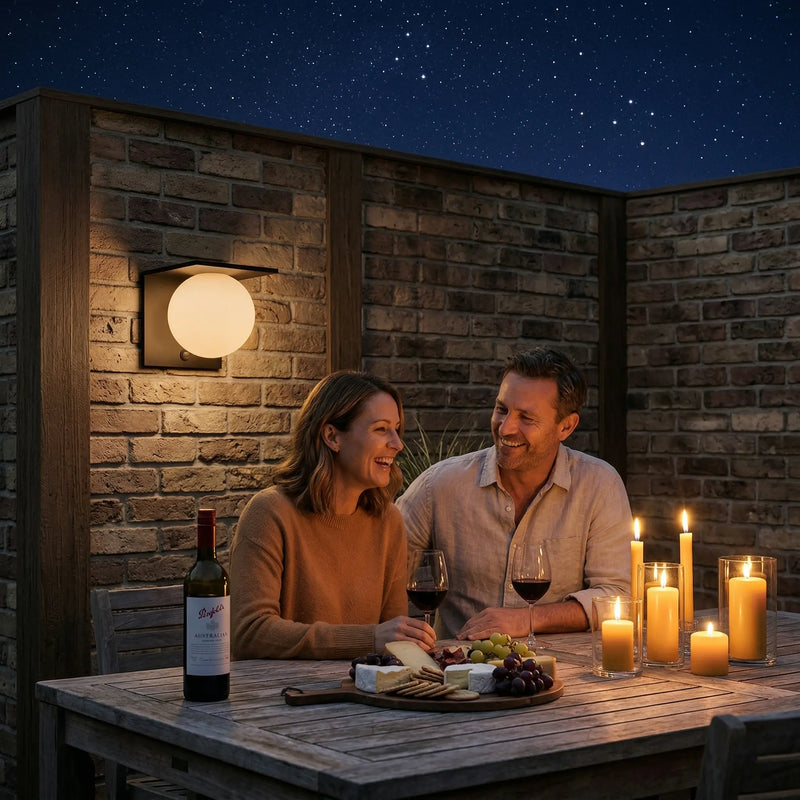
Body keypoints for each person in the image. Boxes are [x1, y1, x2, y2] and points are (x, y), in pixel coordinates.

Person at [397, 347, 632, 641]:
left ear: (566, 426)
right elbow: (381, 572)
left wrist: (528, 620)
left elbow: (616, 597)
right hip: (460, 673)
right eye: (502, 409)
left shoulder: (599, 485)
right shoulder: (439, 486)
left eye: (526, 418)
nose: (506, 428)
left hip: (562, 671)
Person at [231, 371, 436, 660]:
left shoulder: (388, 521)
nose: (397, 444)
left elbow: (393, 638)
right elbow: (249, 632)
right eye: (381, 429)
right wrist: (367, 639)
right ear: (332, 436)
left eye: (397, 429)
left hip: (362, 693)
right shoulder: (269, 513)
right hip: (277, 694)